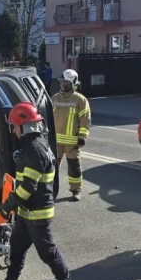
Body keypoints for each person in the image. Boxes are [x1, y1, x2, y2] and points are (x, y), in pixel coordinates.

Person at [0, 103, 79, 280]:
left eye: (14, 126)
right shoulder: (37, 144)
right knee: (17, 247)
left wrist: (7, 205)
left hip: (36, 214)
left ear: (25, 126)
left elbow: (27, 187)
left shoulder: (33, 149)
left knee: (48, 253)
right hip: (27, 213)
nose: (12, 130)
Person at [51, 69, 92, 201]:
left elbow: (85, 119)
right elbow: (47, 118)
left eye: (67, 82)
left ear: (74, 83)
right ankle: (50, 190)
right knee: (52, 168)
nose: (64, 84)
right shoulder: (54, 98)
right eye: (62, 81)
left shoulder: (80, 100)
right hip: (56, 141)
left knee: (74, 167)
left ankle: (75, 191)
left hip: (72, 143)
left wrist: (82, 137)